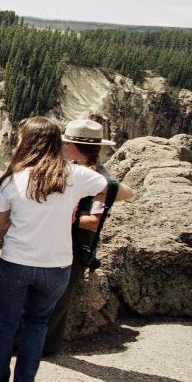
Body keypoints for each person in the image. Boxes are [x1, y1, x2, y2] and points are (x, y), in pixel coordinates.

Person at [0, 116, 108, 382]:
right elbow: (106, 185)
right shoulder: (75, 175)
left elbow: (0, 225)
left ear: (26, 142)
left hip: (17, 261)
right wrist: (77, 214)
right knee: (37, 323)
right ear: (57, 143)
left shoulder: (13, 180)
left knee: (5, 324)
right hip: (57, 265)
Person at [43, 119, 134, 355]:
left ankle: (47, 346)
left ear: (73, 146)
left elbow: (93, 222)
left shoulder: (101, 180)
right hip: (62, 240)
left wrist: (63, 217)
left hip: (75, 245)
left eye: (67, 143)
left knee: (59, 299)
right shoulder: (78, 170)